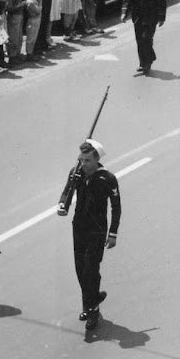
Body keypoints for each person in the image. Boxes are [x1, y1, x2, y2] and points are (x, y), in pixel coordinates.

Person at [57, 139, 121, 330]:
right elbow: (67, 191)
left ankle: (92, 310)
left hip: (97, 229)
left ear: (96, 160)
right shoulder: (76, 172)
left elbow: (116, 207)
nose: (83, 163)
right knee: (80, 270)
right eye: (81, 159)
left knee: (90, 270)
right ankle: (93, 300)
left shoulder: (107, 178)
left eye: (87, 160)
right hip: (79, 227)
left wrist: (113, 233)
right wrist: (63, 205)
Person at [121, 0, 168, 75]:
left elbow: (162, 1)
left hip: (151, 17)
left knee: (146, 39)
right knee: (139, 41)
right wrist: (124, 13)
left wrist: (161, 17)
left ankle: (147, 62)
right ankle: (143, 62)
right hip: (137, 17)